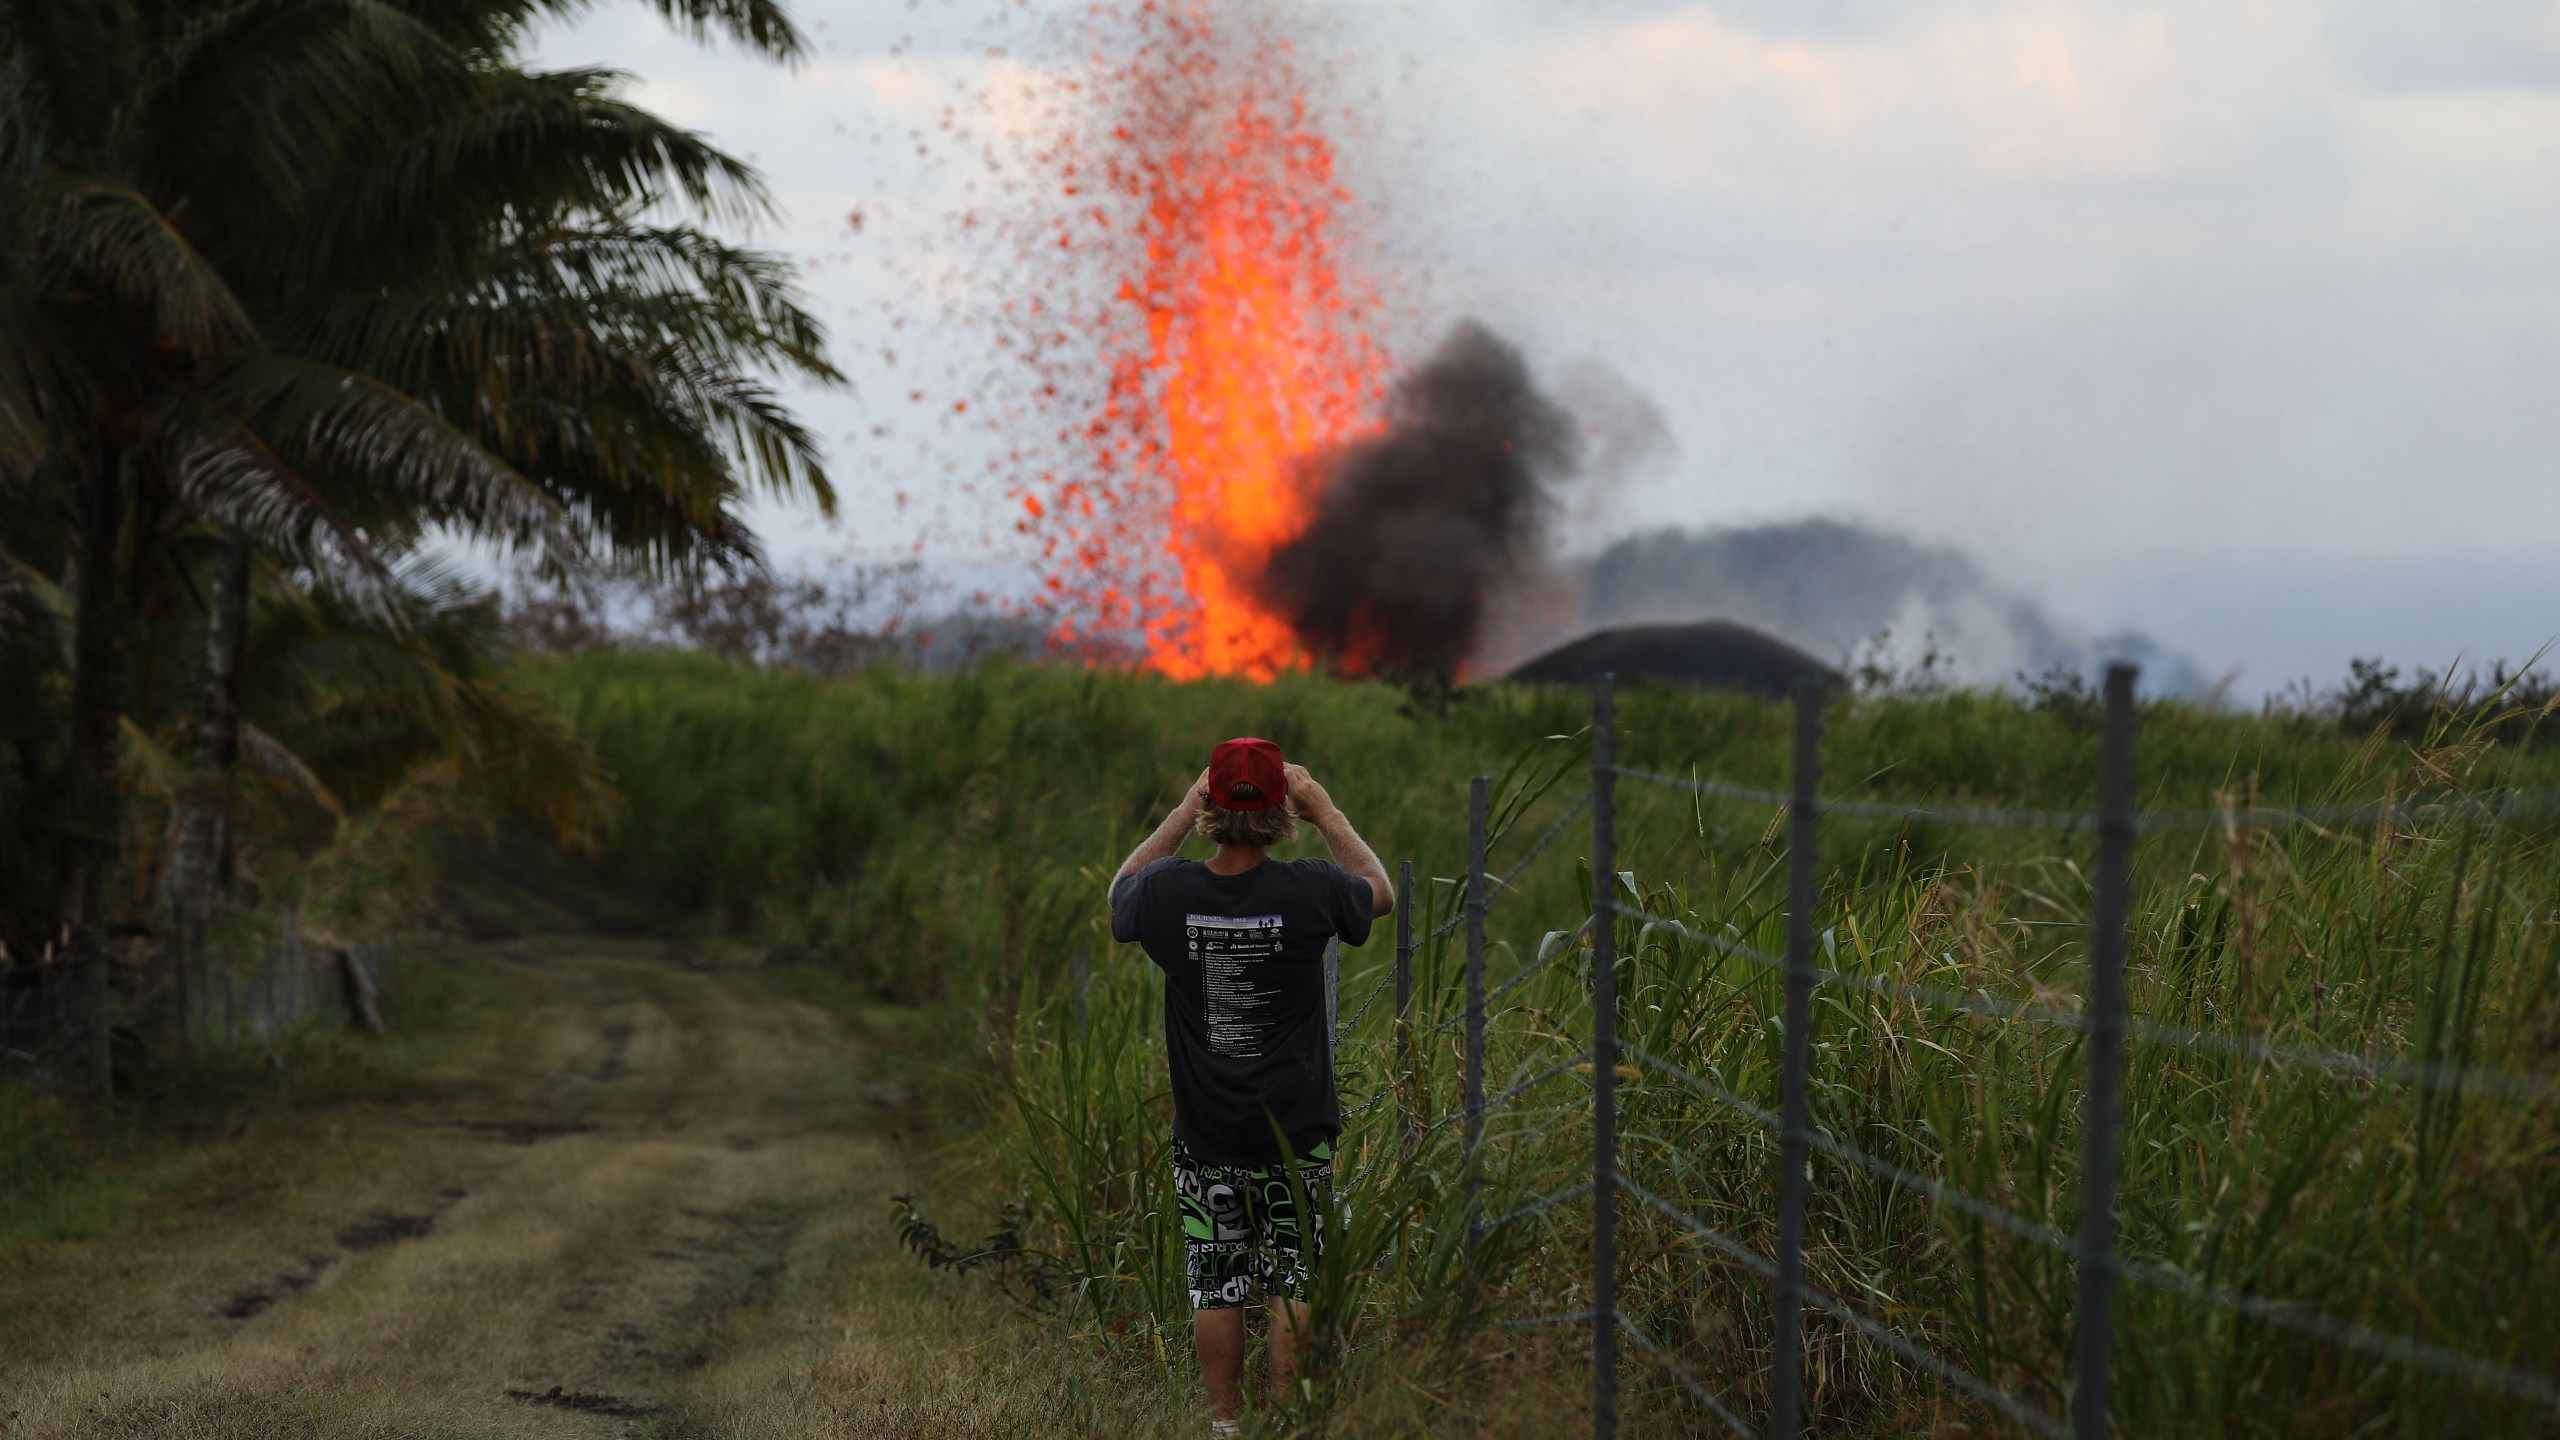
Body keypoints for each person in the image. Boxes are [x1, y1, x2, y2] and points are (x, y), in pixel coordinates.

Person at [1108, 737, 1395, 1437]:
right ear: (1281, 810)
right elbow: (1380, 893)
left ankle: (1226, 1426)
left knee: (1216, 1281)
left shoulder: (1168, 893)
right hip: (1296, 1134)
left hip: (1206, 1135)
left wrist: (1180, 810)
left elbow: (1120, 895)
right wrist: (1326, 811)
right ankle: (1291, 1422)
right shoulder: (1313, 892)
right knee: (1295, 1282)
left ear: (1211, 805)